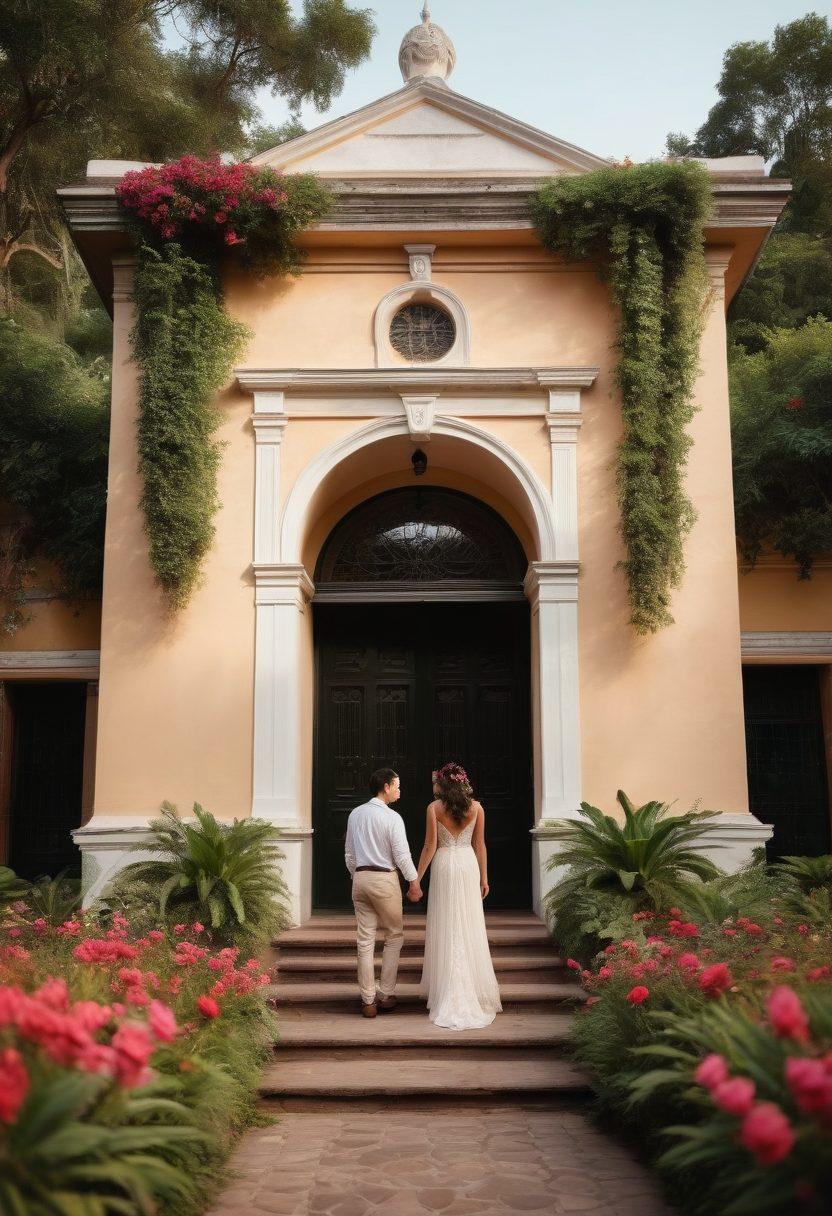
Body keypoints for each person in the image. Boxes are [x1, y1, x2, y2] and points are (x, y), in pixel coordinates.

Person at [416, 761, 502, 1030]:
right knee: (468, 923)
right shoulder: (476, 807)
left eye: (435, 782)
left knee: (446, 922)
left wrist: (416, 878)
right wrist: (485, 878)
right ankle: (471, 989)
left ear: (443, 784)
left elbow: (430, 845)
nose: (433, 786)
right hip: (467, 866)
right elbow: (480, 844)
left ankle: (447, 989)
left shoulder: (433, 808)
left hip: (444, 865)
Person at [344, 768, 422, 1018]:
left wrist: (357, 875)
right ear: (386, 787)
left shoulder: (355, 814)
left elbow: (349, 855)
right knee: (394, 936)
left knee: (364, 941)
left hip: (360, 878)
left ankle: (367, 1001)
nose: (400, 790)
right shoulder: (392, 818)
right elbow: (401, 855)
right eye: (397, 786)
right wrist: (414, 882)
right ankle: (385, 994)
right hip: (384, 879)